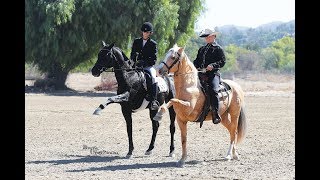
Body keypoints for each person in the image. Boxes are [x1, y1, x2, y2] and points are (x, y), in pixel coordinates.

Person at [193, 28, 226, 124]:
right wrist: (194, 65)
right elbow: (197, 61)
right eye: (206, 37)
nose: (206, 39)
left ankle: (215, 114)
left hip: (213, 74)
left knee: (213, 89)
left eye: (208, 37)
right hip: (200, 73)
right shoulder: (202, 49)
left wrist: (213, 66)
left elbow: (222, 62)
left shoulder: (218, 49)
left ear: (213, 37)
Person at [130, 22, 160, 110]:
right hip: (136, 65)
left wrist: (144, 63)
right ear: (142, 32)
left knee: (153, 78)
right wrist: (134, 61)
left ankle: (154, 101)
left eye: (147, 32)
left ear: (150, 33)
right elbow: (132, 54)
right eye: (144, 32)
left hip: (148, 66)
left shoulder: (153, 44)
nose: (146, 33)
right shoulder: (136, 41)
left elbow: (154, 59)